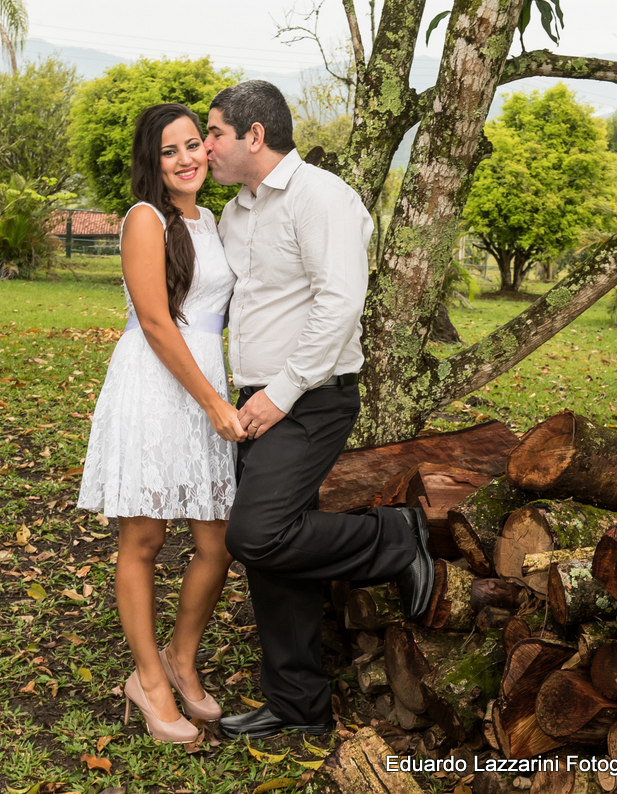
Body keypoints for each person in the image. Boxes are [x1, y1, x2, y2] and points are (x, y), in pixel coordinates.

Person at [202, 80, 435, 740]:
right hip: (256, 399)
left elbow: (340, 303)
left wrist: (279, 393)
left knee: (255, 534)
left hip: (311, 396)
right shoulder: (236, 213)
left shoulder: (320, 196)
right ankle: (298, 704)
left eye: (214, 132)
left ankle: (393, 537)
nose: (207, 145)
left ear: (253, 134)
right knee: (272, 554)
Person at [77, 102, 247, 743]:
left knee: (218, 542)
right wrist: (211, 401)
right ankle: (147, 681)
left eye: (192, 145)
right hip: (156, 387)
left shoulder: (215, 220)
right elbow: (154, 323)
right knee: (144, 541)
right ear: (152, 164)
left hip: (207, 382)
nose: (186, 159)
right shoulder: (145, 220)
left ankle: (181, 657)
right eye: (169, 151)